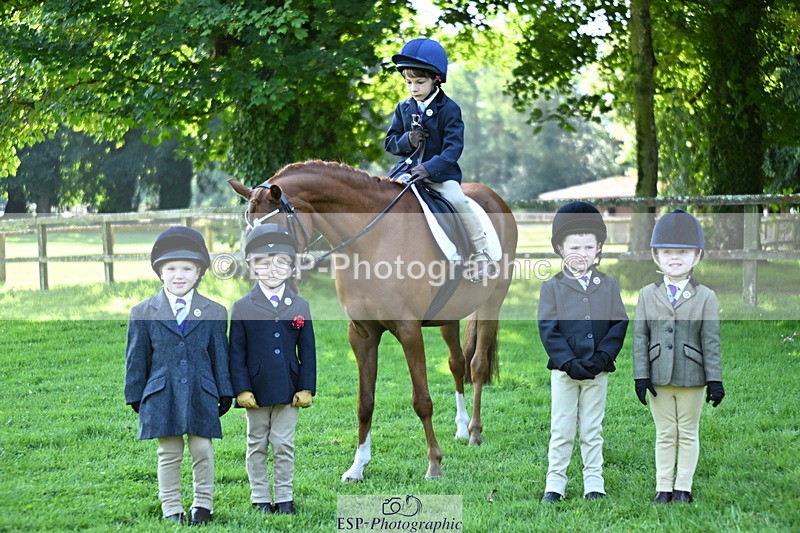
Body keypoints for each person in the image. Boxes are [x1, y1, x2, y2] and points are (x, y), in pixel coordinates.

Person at [124, 226, 233, 525]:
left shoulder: (214, 311)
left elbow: (219, 355)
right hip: (162, 392)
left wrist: (225, 391)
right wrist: (136, 395)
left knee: (202, 449)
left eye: (187, 268)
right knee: (169, 452)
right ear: (160, 272)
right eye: (171, 268)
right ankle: (171, 507)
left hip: (202, 390)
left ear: (199, 272)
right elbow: (136, 357)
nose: (179, 275)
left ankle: (203, 505)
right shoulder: (143, 312)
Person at [537, 201, 629, 503]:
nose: (582, 254)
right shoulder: (552, 288)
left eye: (589, 247)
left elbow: (618, 323)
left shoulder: (609, 285)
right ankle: (555, 484)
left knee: (592, 428)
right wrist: (567, 361)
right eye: (574, 247)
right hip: (565, 373)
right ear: (560, 250)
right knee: (562, 429)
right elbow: (548, 329)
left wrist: (604, 357)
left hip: (597, 371)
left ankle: (594, 483)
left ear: (599, 248)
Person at [633, 210, 724, 504]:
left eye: (683, 252)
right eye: (668, 252)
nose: (675, 258)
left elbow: (711, 341)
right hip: (658, 375)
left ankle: (683, 487)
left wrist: (715, 380)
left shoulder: (706, 296)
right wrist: (640, 374)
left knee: (687, 431)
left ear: (696, 257)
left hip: (692, 377)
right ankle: (663, 487)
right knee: (664, 433)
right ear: (656, 257)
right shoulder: (647, 294)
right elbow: (640, 337)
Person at [385, 37, 492, 280]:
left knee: (458, 201)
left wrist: (429, 168)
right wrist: (407, 141)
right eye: (408, 82)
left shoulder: (449, 109)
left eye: (419, 82)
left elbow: (453, 149)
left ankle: (481, 253)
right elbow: (390, 143)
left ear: (436, 79)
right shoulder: (403, 108)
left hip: (440, 175)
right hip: (407, 172)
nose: (413, 88)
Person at [229, 223, 317, 515]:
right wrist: (241, 388)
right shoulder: (242, 307)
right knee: (257, 443)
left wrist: (306, 386)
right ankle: (259, 497)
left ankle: (284, 497)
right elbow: (237, 352)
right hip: (255, 389)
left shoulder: (300, 304)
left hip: (290, 388)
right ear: (251, 267)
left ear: (292, 267)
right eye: (263, 263)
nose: (272, 269)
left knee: (283, 444)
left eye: (281, 262)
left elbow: (307, 350)